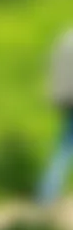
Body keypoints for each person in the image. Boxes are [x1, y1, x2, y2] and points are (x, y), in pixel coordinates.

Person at [37, 27, 73, 205]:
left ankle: (46, 193)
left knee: (65, 146)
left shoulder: (65, 38)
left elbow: (55, 68)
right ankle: (47, 194)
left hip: (66, 98)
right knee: (66, 146)